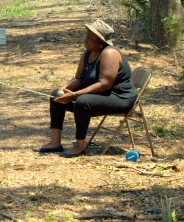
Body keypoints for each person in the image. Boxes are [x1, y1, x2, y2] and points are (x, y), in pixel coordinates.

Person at [32, 20, 138, 158]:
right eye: (86, 36)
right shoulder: (88, 53)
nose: (85, 40)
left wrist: (75, 95)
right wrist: (63, 89)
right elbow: (79, 79)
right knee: (55, 97)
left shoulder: (109, 53)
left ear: (100, 41)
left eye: (89, 38)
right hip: (101, 95)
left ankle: (79, 146)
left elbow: (104, 84)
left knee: (83, 102)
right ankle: (55, 142)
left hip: (120, 98)